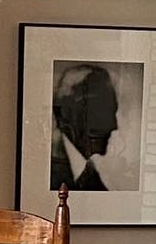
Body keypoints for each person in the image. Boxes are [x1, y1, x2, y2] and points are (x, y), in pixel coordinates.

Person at [50, 62, 122, 193]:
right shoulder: (48, 170)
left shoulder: (88, 174)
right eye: (104, 112)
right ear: (69, 112)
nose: (113, 126)